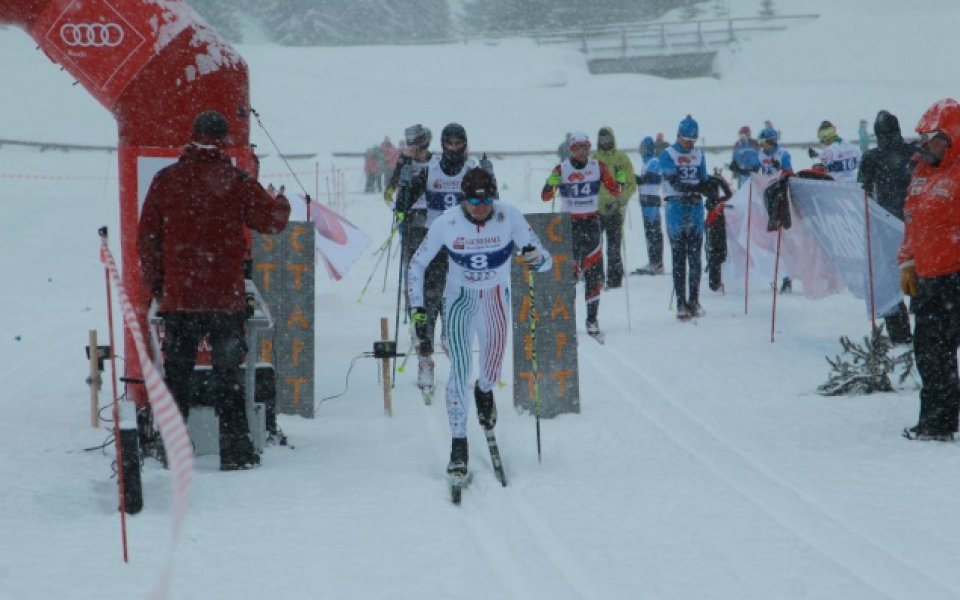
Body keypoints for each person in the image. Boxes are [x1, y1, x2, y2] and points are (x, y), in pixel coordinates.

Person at [137, 110, 291, 470]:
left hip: (180, 299)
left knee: (177, 376)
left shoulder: (166, 179)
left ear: (193, 137)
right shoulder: (235, 181)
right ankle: (236, 452)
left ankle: (174, 449)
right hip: (225, 299)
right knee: (228, 377)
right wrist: (279, 200)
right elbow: (272, 222)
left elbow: (147, 239)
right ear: (223, 141)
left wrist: (161, 285)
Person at [408, 167, 552, 478]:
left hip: (496, 300)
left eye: (487, 200)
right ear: (463, 200)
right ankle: (458, 444)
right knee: (459, 371)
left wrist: (534, 259)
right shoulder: (446, 222)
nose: (481, 207)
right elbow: (417, 264)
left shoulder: (509, 216)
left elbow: (545, 260)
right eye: (474, 201)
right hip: (460, 301)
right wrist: (418, 310)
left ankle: (485, 392)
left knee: (491, 370)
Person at [898, 98, 960, 442]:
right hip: (929, 280)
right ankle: (936, 422)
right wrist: (907, 263)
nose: (926, 144)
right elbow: (911, 223)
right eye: (924, 137)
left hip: (956, 277)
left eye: (934, 137)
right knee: (932, 356)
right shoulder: (921, 172)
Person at [405, 123, 480, 396]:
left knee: (462, 300)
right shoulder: (430, 170)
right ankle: (425, 360)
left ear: (465, 144)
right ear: (442, 144)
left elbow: (488, 204)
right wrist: (405, 178)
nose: (453, 148)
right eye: (448, 143)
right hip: (435, 243)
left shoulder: (472, 170)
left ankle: (457, 352)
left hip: (463, 245)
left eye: (458, 143)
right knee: (429, 301)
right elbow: (400, 202)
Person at [541, 132, 622, 337]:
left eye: (586, 147)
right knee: (569, 275)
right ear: (571, 149)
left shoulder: (597, 167)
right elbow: (545, 196)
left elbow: (615, 190)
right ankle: (565, 320)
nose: (583, 151)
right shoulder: (562, 168)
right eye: (578, 148)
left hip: (591, 223)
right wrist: (551, 183)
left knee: (593, 273)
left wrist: (619, 180)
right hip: (569, 226)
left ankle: (592, 320)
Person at [859, 110, 917, 345]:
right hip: (915, 224)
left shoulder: (872, 157)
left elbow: (861, 190)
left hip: (887, 224)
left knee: (891, 278)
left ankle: (900, 333)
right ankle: (925, 325)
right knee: (921, 274)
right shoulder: (913, 153)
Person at [659, 115, 709, 319]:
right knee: (679, 256)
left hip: (695, 207)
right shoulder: (667, 153)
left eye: (692, 140)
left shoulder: (699, 155)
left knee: (695, 256)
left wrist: (705, 187)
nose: (689, 144)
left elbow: (704, 179)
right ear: (678, 136)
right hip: (676, 206)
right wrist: (694, 187)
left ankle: (694, 300)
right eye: (686, 139)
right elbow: (673, 179)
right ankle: (681, 301)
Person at [384, 124, 433, 321]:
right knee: (411, 263)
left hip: (431, 220)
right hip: (410, 222)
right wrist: (397, 209)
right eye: (413, 147)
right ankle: (411, 300)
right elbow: (388, 193)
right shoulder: (404, 161)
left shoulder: (435, 162)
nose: (417, 152)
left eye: (420, 148)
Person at [592, 126, 634, 288]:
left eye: (608, 139)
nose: (605, 142)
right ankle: (597, 278)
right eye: (602, 140)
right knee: (595, 247)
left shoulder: (621, 158)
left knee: (614, 246)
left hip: (615, 208)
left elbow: (631, 184)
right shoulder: (593, 158)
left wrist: (620, 201)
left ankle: (615, 279)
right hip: (595, 210)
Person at [757, 126, 795, 293]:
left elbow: (790, 174)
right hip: (766, 197)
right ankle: (778, 274)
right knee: (771, 241)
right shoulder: (760, 154)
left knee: (783, 239)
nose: (761, 146)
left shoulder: (783, 154)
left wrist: (782, 169)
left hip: (780, 198)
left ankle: (787, 277)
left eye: (763, 142)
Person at [634, 136, 665, 275]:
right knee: (649, 232)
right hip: (645, 201)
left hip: (652, 200)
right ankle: (652, 260)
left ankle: (658, 262)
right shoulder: (645, 163)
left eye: (643, 148)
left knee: (654, 231)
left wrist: (638, 179)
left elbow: (652, 177)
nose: (641, 150)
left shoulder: (654, 161)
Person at [703, 173, 733, 293]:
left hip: (716, 222)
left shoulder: (715, 182)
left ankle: (716, 281)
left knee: (716, 252)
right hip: (714, 222)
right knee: (716, 252)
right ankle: (715, 282)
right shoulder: (715, 183)